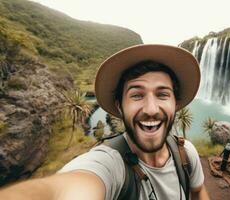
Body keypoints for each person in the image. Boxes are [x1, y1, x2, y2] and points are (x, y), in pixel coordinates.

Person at [0, 44, 210, 200]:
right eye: (137, 95)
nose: (151, 109)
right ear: (120, 106)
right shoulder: (109, 164)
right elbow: (67, 188)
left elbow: (199, 190)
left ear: (175, 103)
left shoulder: (186, 154)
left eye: (163, 94)